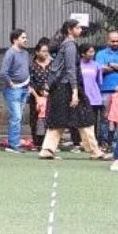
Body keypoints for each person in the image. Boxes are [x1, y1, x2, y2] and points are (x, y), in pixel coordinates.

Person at [39, 19, 87, 159]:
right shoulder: (70, 45)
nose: (80, 30)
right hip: (65, 86)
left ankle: (47, 149)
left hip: (63, 86)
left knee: (65, 118)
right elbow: (71, 69)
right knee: (83, 117)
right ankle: (47, 149)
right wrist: (75, 91)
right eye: (78, 27)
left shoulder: (66, 44)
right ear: (70, 30)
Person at [0, 29, 30, 153]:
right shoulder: (10, 53)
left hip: (25, 87)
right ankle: (14, 144)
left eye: (25, 37)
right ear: (15, 40)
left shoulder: (25, 53)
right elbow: (3, 72)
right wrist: (11, 84)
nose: (26, 40)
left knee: (19, 117)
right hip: (13, 89)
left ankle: (14, 142)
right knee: (16, 117)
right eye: (23, 37)